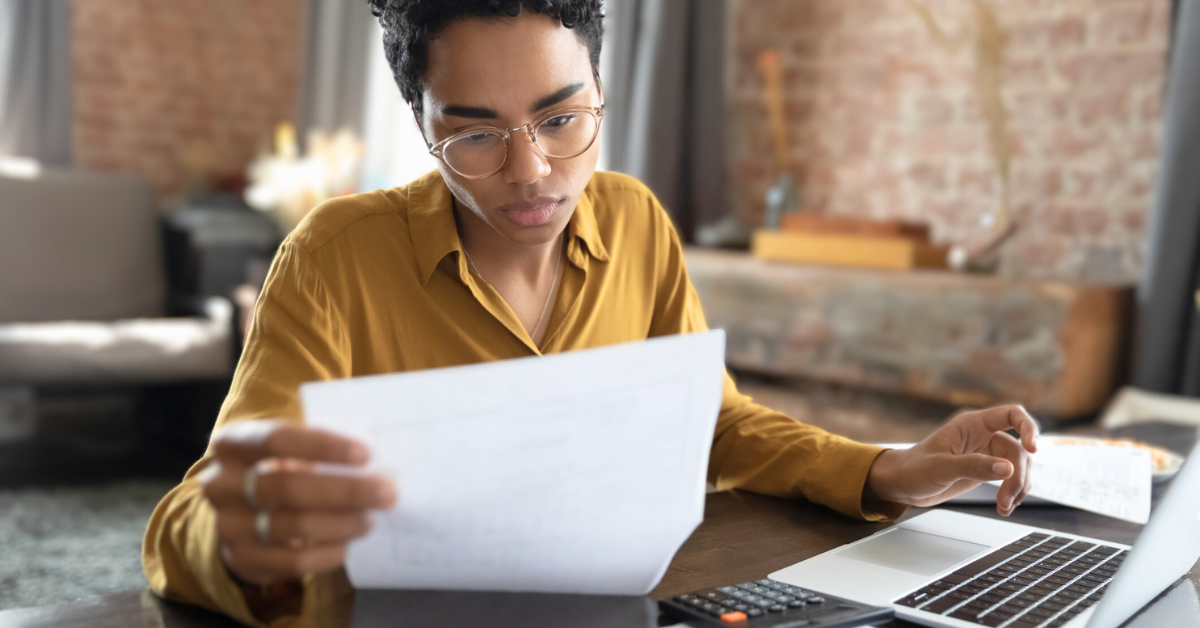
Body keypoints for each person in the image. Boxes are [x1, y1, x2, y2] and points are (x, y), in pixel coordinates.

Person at [142, 1, 1038, 626]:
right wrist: (240, 541)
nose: (532, 171)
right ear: (422, 129)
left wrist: (887, 469)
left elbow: (716, 425)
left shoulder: (637, 221)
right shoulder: (335, 256)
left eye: (562, 118)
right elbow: (201, 504)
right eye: (477, 134)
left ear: (600, 92)